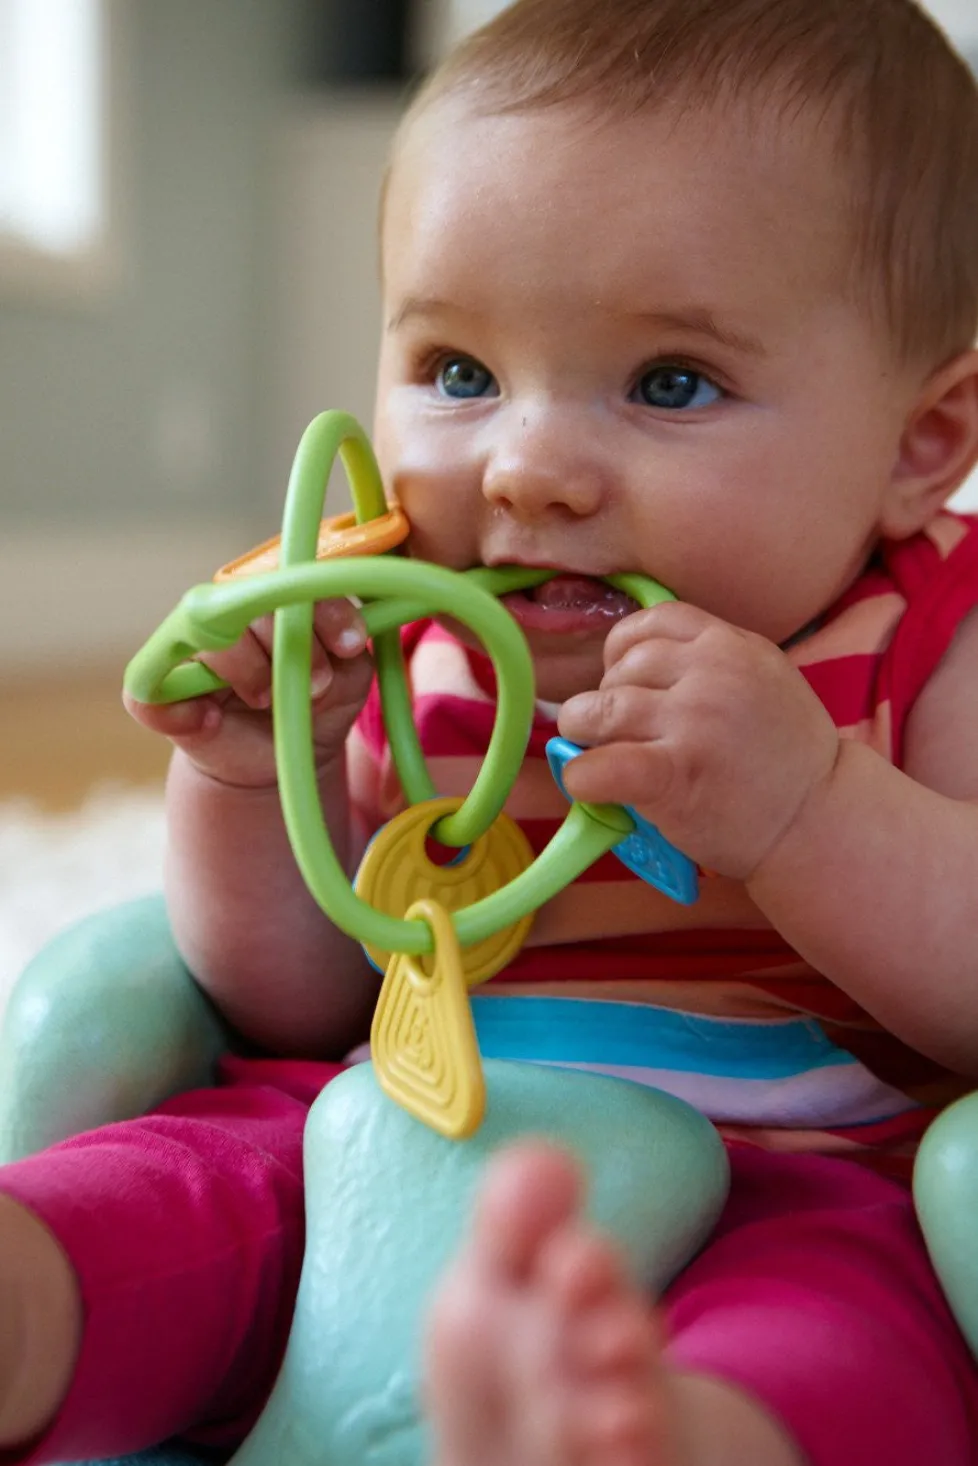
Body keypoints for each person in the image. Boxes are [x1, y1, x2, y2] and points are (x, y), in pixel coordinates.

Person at [1, 0, 978, 1462]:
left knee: (843, 1329)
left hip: (791, 1171)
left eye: (669, 383)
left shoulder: (927, 635)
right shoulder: (409, 646)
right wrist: (251, 774)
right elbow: (293, 1001)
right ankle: (30, 1311)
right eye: (461, 373)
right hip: (398, 1128)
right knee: (189, 1185)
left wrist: (807, 803)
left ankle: (649, 1434)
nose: (527, 469)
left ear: (919, 444)